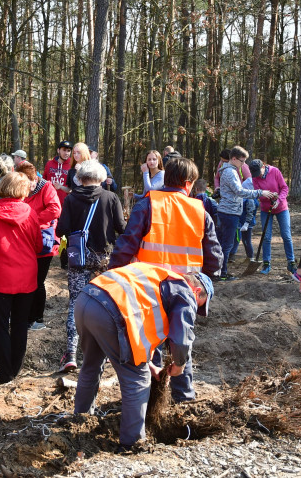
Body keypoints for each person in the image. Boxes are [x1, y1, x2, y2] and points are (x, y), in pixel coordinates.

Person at [109, 157, 221, 402]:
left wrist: (113, 273)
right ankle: (184, 399)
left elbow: (127, 243)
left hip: (148, 287)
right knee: (181, 342)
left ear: (166, 177)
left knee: (150, 343)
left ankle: (148, 399)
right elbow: (214, 257)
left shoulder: (148, 204)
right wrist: (207, 280)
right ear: (189, 183)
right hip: (185, 289)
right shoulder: (199, 211)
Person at [72, 263, 213, 451]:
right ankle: (132, 444)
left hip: (87, 299)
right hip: (111, 311)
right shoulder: (184, 291)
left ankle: (80, 419)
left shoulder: (159, 277)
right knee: (138, 378)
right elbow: (181, 337)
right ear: (196, 291)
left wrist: (150, 364)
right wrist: (179, 364)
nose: (194, 310)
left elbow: (143, 324)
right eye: (198, 305)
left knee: (91, 365)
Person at [56, 160, 126, 371]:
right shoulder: (111, 197)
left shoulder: (70, 199)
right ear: (102, 178)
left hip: (78, 259)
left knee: (76, 305)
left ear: (79, 178)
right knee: (105, 305)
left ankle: (70, 354)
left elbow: (61, 230)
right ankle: (104, 353)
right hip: (103, 260)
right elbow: (122, 228)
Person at [0, 173, 41, 384]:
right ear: (23, 190)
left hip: (0, 277)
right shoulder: (30, 213)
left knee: (1, 326)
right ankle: (15, 368)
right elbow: (38, 245)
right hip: (26, 276)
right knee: (20, 324)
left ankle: (5, 373)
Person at [16, 161, 61, 331]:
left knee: (38, 281)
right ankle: (26, 316)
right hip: (25, 240)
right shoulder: (20, 188)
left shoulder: (46, 188)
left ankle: (37, 318)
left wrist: (31, 218)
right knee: (26, 280)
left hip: (44, 240)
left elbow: (55, 209)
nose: (29, 186)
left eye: (31, 181)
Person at [216, 146, 269, 280]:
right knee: (226, 244)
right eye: (242, 161)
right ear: (233, 159)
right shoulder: (230, 172)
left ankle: (220, 271)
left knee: (224, 243)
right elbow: (239, 191)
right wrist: (260, 193)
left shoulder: (231, 170)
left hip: (228, 211)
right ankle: (222, 273)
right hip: (229, 212)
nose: (243, 164)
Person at [249, 159, 297, 278]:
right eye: (255, 174)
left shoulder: (274, 171)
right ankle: (266, 263)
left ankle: (291, 262)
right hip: (266, 209)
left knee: (286, 235)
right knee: (266, 237)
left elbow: (284, 188)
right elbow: (257, 193)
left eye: (258, 172)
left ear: (263, 166)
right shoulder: (255, 177)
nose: (258, 176)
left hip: (281, 207)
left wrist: (278, 198)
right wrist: (264, 195)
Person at [44, 140, 74, 207]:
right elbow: (44, 181)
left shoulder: (72, 166)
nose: (66, 153)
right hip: (50, 201)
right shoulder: (49, 164)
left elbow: (73, 187)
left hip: (66, 202)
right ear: (58, 150)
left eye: (68, 151)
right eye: (64, 150)